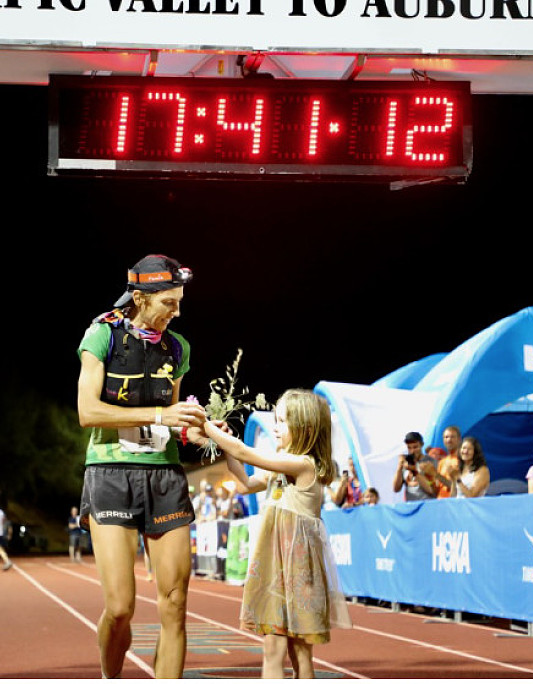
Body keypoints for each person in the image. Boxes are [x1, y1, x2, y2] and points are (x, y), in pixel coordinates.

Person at [75, 253, 206, 679]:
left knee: (176, 603)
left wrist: (196, 430)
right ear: (140, 298)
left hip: (164, 475)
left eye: (179, 302)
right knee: (120, 608)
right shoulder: (102, 336)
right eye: (169, 302)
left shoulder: (178, 347)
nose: (176, 312)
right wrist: (159, 415)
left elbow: (173, 419)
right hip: (110, 473)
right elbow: (88, 412)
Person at [201, 389, 352, 678]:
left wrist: (205, 425)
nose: (275, 428)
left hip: (297, 569)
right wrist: (225, 446)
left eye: (281, 422)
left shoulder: (304, 464)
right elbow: (245, 483)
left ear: (305, 428)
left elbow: (245, 452)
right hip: (274, 568)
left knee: (300, 653)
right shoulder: (282, 462)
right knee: (274, 647)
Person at [392, 432, 438, 501]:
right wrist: (399, 467)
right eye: (409, 448)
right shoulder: (406, 462)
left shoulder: (431, 462)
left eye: (415, 447)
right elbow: (396, 489)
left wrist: (414, 470)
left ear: (422, 445)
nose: (412, 451)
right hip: (411, 505)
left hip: (427, 503)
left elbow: (433, 491)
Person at [432, 425, 463, 498]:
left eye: (452, 437)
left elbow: (458, 487)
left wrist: (436, 475)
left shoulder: (463, 460)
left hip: (454, 502)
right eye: (446, 437)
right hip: (440, 501)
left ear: (459, 439)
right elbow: (437, 488)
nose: (449, 440)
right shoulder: (442, 462)